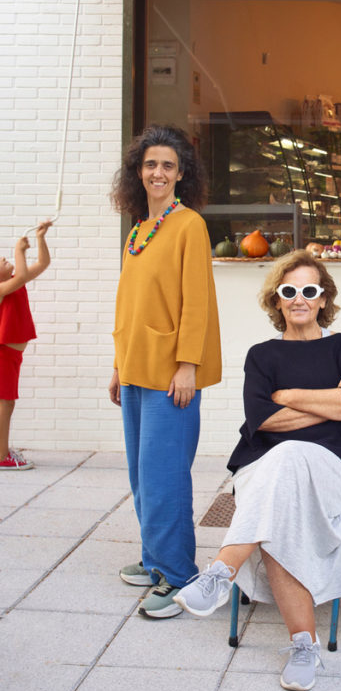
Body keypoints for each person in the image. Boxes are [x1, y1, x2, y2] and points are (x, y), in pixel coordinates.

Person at [174, 250, 341, 691]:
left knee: (289, 457)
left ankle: (221, 571)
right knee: (283, 484)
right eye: (289, 291)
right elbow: (262, 420)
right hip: (266, 466)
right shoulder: (261, 355)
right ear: (277, 299)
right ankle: (304, 645)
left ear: (323, 298)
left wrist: (286, 396)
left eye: (309, 290)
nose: (299, 298)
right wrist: (328, 401)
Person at [108, 124, 221, 619]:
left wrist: (188, 366)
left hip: (171, 375)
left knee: (165, 477)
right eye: (150, 164)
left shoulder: (188, 225)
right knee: (141, 475)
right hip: (136, 368)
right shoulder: (138, 229)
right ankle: (155, 558)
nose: (158, 172)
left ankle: (178, 575)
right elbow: (129, 304)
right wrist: (119, 364)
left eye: (168, 166)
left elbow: (196, 302)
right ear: (138, 171)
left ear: (181, 174)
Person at [0, 221, 52, 470]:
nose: (4, 259)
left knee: (7, 402)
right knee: (5, 403)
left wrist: (41, 238)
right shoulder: (2, 288)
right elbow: (21, 275)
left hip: (10, 357)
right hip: (4, 355)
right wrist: (19, 251)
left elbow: (42, 264)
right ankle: (2, 456)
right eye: (1, 262)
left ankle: (2, 451)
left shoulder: (14, 282)